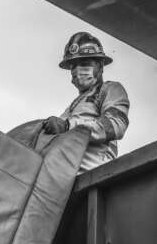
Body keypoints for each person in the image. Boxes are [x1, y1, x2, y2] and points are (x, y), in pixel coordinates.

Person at [41, 31, 130, 171]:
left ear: (100, 66)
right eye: (73, 66)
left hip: (96, 174)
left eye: (84, 63)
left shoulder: (110, 89)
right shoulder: (72, 107)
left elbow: (115, 125)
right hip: (66, 177)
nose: (77, 70)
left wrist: (69, 127)